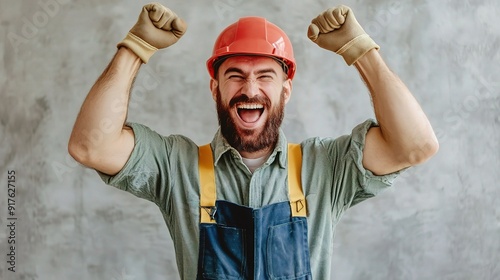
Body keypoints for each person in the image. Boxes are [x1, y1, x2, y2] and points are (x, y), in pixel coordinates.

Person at [68, 3, 439, 279]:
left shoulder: (325, 167)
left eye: (265, 76)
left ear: (286, 90)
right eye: (235, 75)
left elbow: (415, 145)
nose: (250, 89)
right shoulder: (176, 166)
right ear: (215, 87)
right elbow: (91, 146)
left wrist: (360, 51)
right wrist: (136, 47)